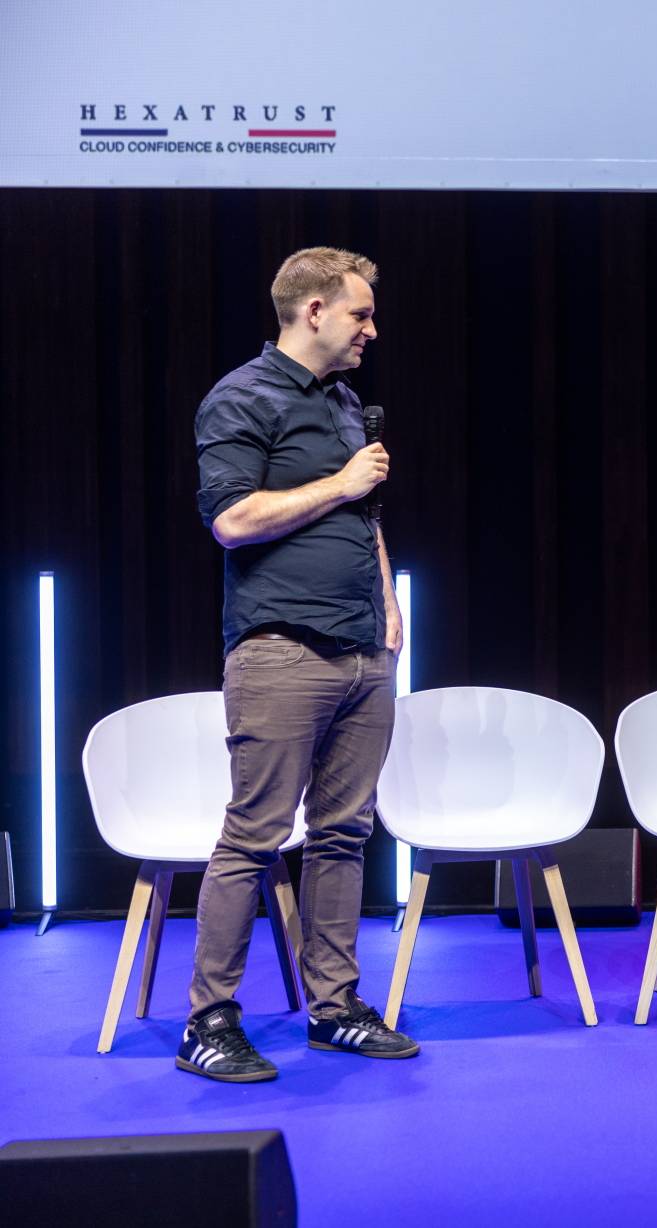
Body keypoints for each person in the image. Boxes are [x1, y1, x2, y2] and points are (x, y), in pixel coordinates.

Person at [182, 246, 418, 1081]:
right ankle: (210, 1021)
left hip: (363, 651)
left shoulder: (345, 401)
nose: (372, 329)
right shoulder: (241, 397)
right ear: (313, 311)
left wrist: (388, 604)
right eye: (360, 313)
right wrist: (341, 484)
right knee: (254, 837)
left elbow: (366, 515)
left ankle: (335, 1008)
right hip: (282, 650)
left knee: (345, 835)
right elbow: (232, 520)